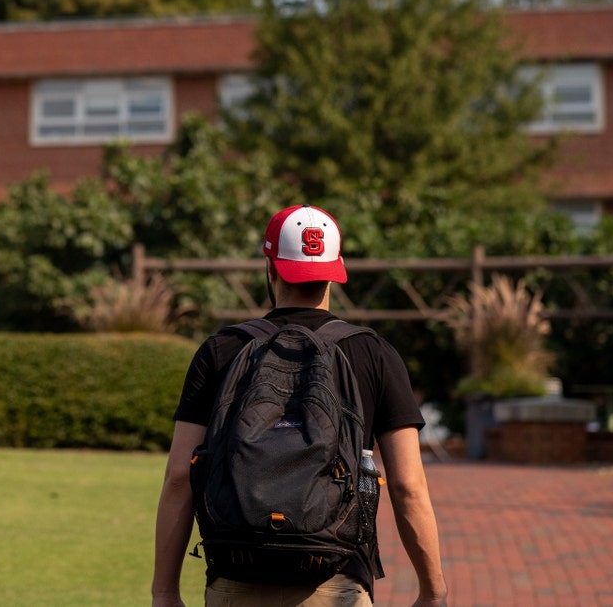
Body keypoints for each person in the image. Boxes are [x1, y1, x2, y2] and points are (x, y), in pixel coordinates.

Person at [151, 205, 448, 607]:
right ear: (335, 271)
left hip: (235, 576)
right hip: (335, 581)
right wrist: (433, 591)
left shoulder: (221, 351)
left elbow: (178, 478)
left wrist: (165, 592)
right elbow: (408, 486)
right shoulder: (373, 353)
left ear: (270, 267)